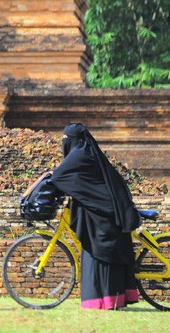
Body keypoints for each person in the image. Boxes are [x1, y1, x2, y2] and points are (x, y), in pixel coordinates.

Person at [49, 123, 142, 310]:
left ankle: (105, 301)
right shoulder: (88, 154)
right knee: (99, 255)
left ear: (75, 140)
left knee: (100, 254)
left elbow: (59, 176)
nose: (64, 143)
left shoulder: (80, 154)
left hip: (102, 217)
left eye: (67, 139)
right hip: (103, 214)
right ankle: (110, 300)